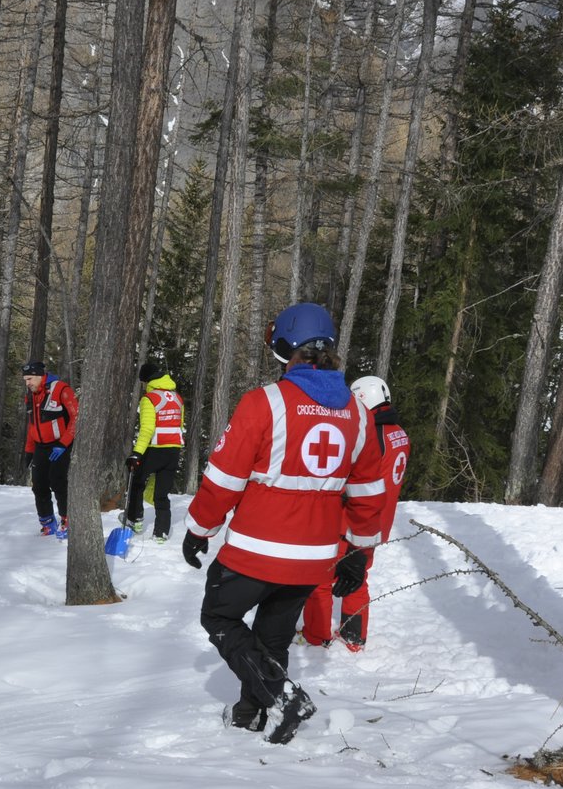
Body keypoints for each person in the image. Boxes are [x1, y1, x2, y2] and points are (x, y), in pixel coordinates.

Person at [181, 303, 387, 745]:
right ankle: (249, 715)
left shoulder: (265, 403)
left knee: (218, 616)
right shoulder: (358, 413)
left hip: (257, 548)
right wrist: (356, 551)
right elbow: (370, 493)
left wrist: (199, 528)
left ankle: (283, 696)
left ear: (286, 347)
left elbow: (224, 479)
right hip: (313, 558)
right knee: (272, 637)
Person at [301, 375, 409, 651]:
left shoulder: (371, 433)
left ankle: (316, 636)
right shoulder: (399, 433)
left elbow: (355, 478)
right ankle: (354, 637)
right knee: (358, 577)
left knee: (321, 577)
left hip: (352, 519)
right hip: (376, 523)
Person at [122, 361, 184, 542]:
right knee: (162, 494)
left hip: (155, 450)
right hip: (173, 452)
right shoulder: (177, 397)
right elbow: (179, 425)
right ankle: (161, 532)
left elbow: (147, 429)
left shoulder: (150, 399)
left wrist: (137, 453)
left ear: (146, 380)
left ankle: (135, 519)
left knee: (136, 483)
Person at [21, 360, 77, 539]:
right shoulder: (30, 395)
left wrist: (64, 443)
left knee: (58, 482)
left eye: (29, 379)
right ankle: (47, 522)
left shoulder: (61, 389)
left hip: (60, 445)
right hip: (40, 446)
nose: (27, 383)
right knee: (38, 485)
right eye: (25, 380)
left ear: (40, 376)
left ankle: (67, 520)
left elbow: (78, 418)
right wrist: (29, 451)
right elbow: (32, 425)